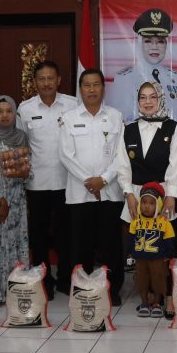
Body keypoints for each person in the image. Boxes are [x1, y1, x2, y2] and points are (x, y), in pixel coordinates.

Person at [114, 81, 177, 317]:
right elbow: (122, 165)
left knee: (168, 250)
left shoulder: (173, 128)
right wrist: (128, 194)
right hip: (137, 198)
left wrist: (171, 195)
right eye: (143, 97)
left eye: (152, 97)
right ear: (137, 101)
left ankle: (169, 299)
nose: (147, 102)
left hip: (166, 195)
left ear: (160, 99)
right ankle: (147, 298)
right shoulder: (128, 129)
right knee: (142, 249)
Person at [59, 70, 126, 304]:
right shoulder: (69, 118)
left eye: (96, 84)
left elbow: (121, 155)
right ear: (80, 89)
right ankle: (83, 289)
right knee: (81, 245)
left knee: (111, 245)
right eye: (87, 85)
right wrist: (90, 180)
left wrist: (104, 179)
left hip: (110, 192)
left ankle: (112, 290)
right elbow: (65, 155)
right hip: (80, 193)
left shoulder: (116, 117)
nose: (91, 89)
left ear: (103, 89)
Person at [17, 60, 79, 297]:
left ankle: (65, 279)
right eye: (41, 79)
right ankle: (43, 280)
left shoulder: (72, 105)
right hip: (37, 183)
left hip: (66, 181)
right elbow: (21, 145)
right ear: (35, 82)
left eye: (50, 78)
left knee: (66, 234)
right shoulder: (25, 109)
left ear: (58, 80)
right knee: (39, 235)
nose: (46, 83)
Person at [0, 95, 32, 305]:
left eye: (9, 111)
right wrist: (0, 198)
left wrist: (25, 174)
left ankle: (19, 289)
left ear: (14, 114)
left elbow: (28, 165)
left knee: (18, 240)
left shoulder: (21, 137)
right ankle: (0, 291)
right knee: (0, 242)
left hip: (17, 197)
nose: (4, 115)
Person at [107, 8, 177, 128]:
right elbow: (117, 119)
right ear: (139, 43)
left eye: (160, 42)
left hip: (173, 138)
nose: (154, 47)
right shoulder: (124, 79)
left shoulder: (175, 78)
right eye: (148, 41)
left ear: (166, 44)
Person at [128, 182, 176, 318]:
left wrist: (169, 255)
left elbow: (169, 240)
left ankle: (156, 303)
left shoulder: (164, 222)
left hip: (158, 259)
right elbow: (131, 239)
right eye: (144, 202)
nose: (146, 206)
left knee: (158, 280)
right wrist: (130, 253)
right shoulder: (135, 221)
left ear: (159, 205)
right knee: (142, 281)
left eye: (151, 203)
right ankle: (144, 303)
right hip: (140, 259)